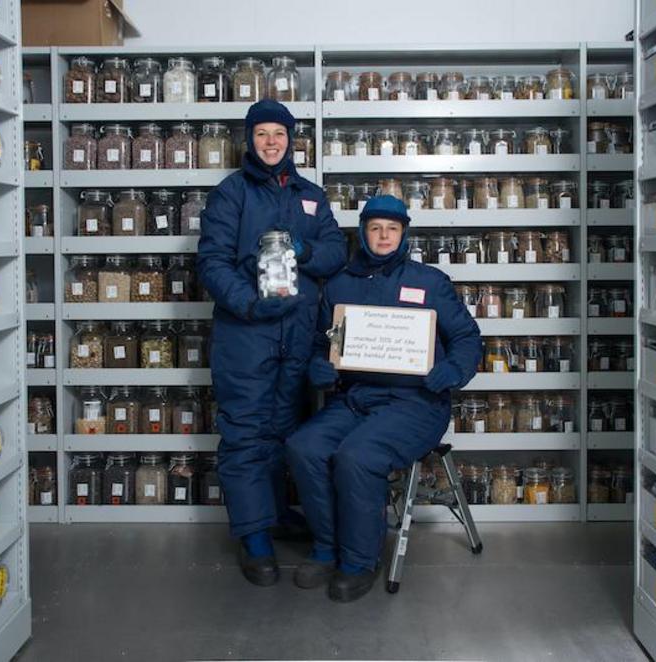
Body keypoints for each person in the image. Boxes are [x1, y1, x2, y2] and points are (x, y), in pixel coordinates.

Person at [285, 195, 482, 602]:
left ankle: (359, 561)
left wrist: (454, 371)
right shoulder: (340, 283)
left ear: (404, 233)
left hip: (417, 403)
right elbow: (326, 342)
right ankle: (327, 548)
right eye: (375, 228)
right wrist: (320, 366)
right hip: (357, 398)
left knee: (359, 456)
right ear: (363, 233)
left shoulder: (429, 282)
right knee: (303, 446)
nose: (384, 236)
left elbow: (466, 338)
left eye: (392, 229)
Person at [197, 99, 347, 587]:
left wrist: (306, 250)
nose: (270, 142)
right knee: (245, 434)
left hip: (299, 335)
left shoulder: (310, 195)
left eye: (278, 134)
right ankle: (255, 536)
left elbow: (334, 252)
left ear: (291, 139)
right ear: (249, 140)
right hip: (247, 334)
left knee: (288, 430)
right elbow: (212, 263)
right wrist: (248, 304)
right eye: (261, 134)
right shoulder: (231, 194)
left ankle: (279, 514)